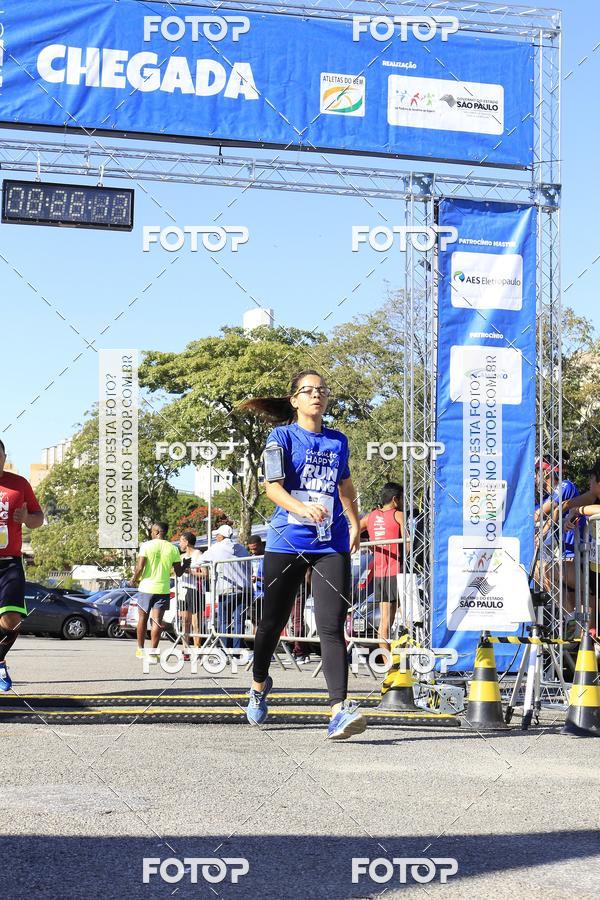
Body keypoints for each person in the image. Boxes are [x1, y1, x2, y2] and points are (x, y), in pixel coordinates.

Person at [241, 369, 366, 740]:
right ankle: (259, 684)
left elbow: (344, 484)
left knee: (331, 625)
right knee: (271, 624)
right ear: (294, 400)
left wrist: (355, 521)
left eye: (322, 390)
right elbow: (271, 488)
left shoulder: (337, 441)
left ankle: (338, 711)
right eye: (308, 391)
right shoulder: (280, 437)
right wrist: (300, 508)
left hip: (331, 543)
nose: (317, 395)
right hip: (288, 540)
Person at [0, 439, 44, 690]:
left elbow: (39, 519)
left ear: (5, 456)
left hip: (10, 563)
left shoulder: (20, 484)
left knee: (12, 621)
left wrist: (27, 517)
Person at [130, 521, 189, 661]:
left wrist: (134, 579)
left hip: (146, 588)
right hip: (163, 588)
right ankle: (154, 653)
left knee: (143, 618)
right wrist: (185, 565)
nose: (151, 533)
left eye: (151, 531)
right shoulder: (173, 548)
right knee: (157, 620)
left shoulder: (146, 546)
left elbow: (139, 567)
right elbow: (178, 573)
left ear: (156, 532)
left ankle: (140, 649)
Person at [360, 483, 405, 654]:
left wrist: (369, 544)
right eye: (402, 498)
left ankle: (388, 662)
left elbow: (354, 529)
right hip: (396, 571)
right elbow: (408, 543)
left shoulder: (371, 516)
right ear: (395, 500)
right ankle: (392, 663)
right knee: (405, 618)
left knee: (386, 620)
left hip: (380, 573)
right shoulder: (398, 515)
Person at [200, 524, 251, 650]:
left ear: (221, 536)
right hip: (243, 590)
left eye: (217, 535)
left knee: (224, 621)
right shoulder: (241, 548)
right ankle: (236, 651)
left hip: (226, 589)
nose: (216, 537)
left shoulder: (217, 548)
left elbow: (200, 560)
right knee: (239, 622)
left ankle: (224, 649)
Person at [564, 458, 600, 631]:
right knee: (545, 570)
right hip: (593, 566)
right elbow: (568, 506)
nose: (588, 482)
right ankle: (574, 622)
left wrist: (579, 511)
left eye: (591, 478)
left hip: (595, 567)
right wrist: (569, 516)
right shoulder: (593, 496)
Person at [177, 531, 203, 659]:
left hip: (195, 590)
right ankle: (185, 650)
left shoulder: (198, 554)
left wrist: (190, 572)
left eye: (181, 540)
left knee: (195, 622)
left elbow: (205, 574)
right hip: (182, 590)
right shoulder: (181, 557)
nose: (179, 543)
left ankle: (197, 648)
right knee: (184, 622)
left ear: (187, 542)